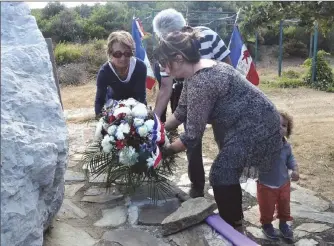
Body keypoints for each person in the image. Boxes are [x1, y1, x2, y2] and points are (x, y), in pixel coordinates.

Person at [155, 29, 283, 233]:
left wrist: (163, 152)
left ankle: (233, 227)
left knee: (222, 171)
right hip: (247, 123)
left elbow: (192, 136)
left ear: (178, 58)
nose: (162, 67)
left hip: (258, 126)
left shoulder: (202, 82)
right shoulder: (194, 74)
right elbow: (180, 113)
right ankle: (233, 223)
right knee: (224, 170)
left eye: (164, 62)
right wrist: (156, 129)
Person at [152, 8, 232, 198]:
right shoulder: (187, 78)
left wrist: (167, 151)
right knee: (193, 144)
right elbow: (168, 92)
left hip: (222, 96)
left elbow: (228, 67)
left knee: (224, 141)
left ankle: (228, 184)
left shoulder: (209, 38)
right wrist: (155, 125)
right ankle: (197, 186)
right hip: (192, 89)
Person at [257, 111, 299, 240]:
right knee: (267, 207)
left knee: (284, 206)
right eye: (276, 124)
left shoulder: (286, 146)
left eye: (284, 125)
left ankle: (283, 224)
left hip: (283, 184)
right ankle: (267, 225)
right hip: (266, 185)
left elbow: (290, 159)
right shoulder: (263, 145)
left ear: (288, 130)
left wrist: (295, 169)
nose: (280, 127)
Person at [94, 31, 147, 117]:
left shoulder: (140, 67)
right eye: (118, 54)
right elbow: (99, 100)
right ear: (110, 53)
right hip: (113, 108)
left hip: (136, 106)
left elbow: (141, 96)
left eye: (127, 53)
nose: (123, 58)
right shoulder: (105, 71)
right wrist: (99, 119)